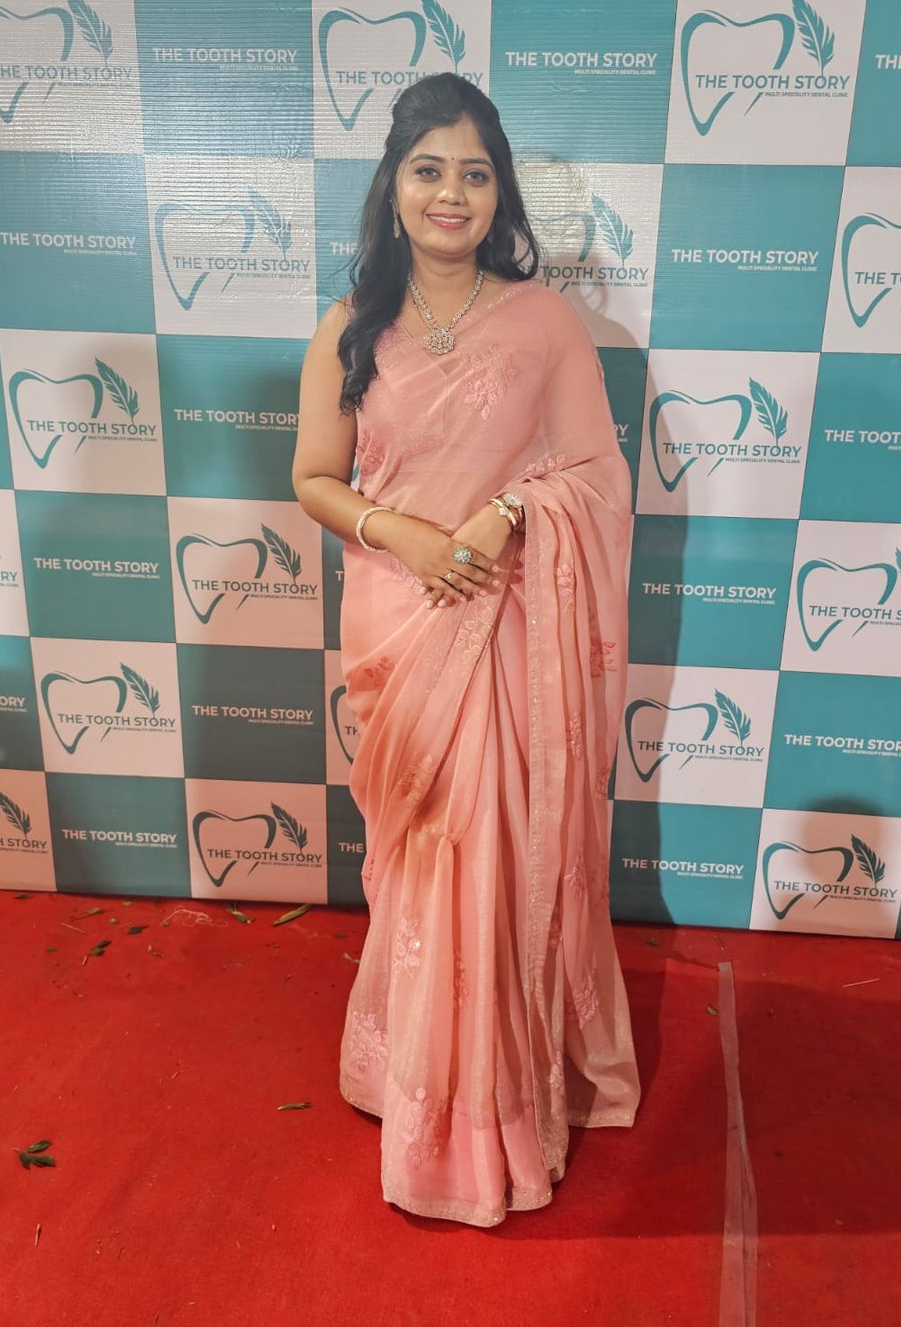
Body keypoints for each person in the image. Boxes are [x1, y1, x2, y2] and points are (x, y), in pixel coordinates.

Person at [292, 73, 641, 1228]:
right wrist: (404, 535)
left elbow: (596, 474)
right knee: (425, 860)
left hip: (506, 623)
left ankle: (488, 1110)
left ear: (501, 195)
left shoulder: (544, 324)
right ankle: (417, 1077)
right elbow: (314, 478)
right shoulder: (350, 326)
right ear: (393, 186)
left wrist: (502, 515)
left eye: (475, 173)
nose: (452, 193)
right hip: (398, 622)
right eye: (429, 169)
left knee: (490, 861)